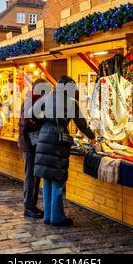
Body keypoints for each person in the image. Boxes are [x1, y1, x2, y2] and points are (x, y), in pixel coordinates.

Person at [32, 76, 96, 227]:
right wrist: (92, 138)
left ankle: (48, 216)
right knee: (57, 179)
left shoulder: (46, 99)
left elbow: (33, 114)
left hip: (44, 136)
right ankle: (57, 218)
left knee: (47, 178)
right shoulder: (70, 103)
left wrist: (45, 124)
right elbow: (82, 124)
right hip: (57, 139)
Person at [18, 78, 50, 219]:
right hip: (28, 143)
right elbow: (27, 122)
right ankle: (28, 206)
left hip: (33, 142)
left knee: (35, 175)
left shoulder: (35, 100)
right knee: (31, 175)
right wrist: (43, 121)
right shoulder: (31, 100)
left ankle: (32, 205)